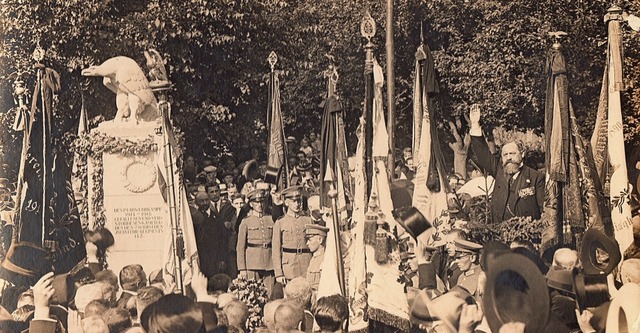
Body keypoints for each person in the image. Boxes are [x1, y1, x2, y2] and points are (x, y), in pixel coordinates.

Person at [468, 105, 544, 223]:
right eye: (505, 154)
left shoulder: (536, 178)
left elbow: (544, 211)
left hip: (527, 237)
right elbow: (483, 155)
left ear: (522, 154)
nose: (509, 158)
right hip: (500, 235)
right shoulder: (499, 172)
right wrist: (475, 125)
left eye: (512, 154)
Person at [236, 189, 276, 295]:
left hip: (269, 262)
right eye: (256, 202)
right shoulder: (245, 222)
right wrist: (242, 268)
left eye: (262, 202)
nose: (260, 205)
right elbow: (240, 247)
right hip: (252, 263)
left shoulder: (271, 219)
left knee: (270, 294)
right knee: (253, 294)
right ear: (251, 204)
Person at [272, 186, 313, 284]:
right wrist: (279, 273)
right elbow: (276, 250)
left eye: (298, 201)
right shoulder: (280, 222)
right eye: (293, 201)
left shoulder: (308, 220)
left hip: (306, 262)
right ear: (286, 203)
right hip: (289, 266)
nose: (297, 204)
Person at [304, 224, 329, 296]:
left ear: (320, 240)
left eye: (310, 240)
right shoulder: (314, 259)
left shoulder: (325, 260)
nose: (307, 243)